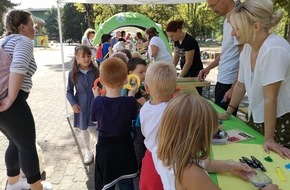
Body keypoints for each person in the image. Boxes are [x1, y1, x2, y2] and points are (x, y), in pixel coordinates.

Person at [157, 92, 279, 190]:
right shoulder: (190, 173)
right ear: (196, 137)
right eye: (210, 134)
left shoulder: (171, 152)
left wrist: (230, 166)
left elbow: (203, 163)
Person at [219, 0, 290, 159]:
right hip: (259, 116)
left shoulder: (274, 49)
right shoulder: (247, 49)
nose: (232, 33)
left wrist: (269, 138)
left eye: (236, 28)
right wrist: (228, 112)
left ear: (256, 26)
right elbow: (240, 85)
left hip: (281, 121)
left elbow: (270, 97)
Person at [0, 9, 51, 190]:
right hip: (10, 101)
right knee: (27, 145)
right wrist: (11, 98)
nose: (35, 29)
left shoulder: (3, 41)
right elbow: (19, 66)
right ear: (22, 27)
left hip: (2, 102)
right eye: (32, 25)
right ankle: (37, 187)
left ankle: (13, 184)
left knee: (16, 141)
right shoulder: (22, 40)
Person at [91, 57, 139, 190]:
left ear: (101, 81)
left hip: (105, 150)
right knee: (126, 182)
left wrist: (96, 97)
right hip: (125, 148)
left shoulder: (97, 102)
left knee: (107, 183)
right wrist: (132, 94)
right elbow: (132, 114)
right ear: (125, 80)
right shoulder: (129, 102)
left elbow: (94, 119)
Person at [198, 0, 242, 114]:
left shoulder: (239, 18)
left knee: (225, 122)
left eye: (213, 5)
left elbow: (244, 57)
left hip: (230, 82)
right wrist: (208, 68)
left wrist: (234, 87)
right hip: (223, 79)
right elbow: (226, 52)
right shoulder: (227, 20)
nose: (212, 10)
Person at [139, 62, 177, 190]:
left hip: (149, 159)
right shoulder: (172, 110)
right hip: (168, 160)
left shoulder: (144, 108)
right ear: (175, 88)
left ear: (147, 89)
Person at [66, 45, 99, 165]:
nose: (86, 59)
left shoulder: (96, 71)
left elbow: (101, 86)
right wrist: (73, 103)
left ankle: (98, 146)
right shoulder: (73, 73)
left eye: (88, 56)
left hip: (94, 103)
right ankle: (88, 151)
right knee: (83, 129)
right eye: (83, 56)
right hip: (80, 104)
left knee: (94, 128)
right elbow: (69, 91)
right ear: (76, 57)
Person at [122, 57, 149, 171]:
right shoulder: (132, 87)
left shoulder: (137, 85)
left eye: (145, 71)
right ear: (130, 73)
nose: (144, 74)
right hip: (135, 124)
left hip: (138, 122)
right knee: (138, 147)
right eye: (141, 72)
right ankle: (136, 170)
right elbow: (145, 103)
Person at [166, 20, 204, 95]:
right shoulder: (176, 41)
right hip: (186, 72)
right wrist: (171, 71)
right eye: (169, 36)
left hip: (195, 73)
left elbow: (188, 62)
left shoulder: (189, 41)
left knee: (195, 97)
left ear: (178, 31)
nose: (171, 38)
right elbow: (176, 58)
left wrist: (179, 77)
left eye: (172, 36)